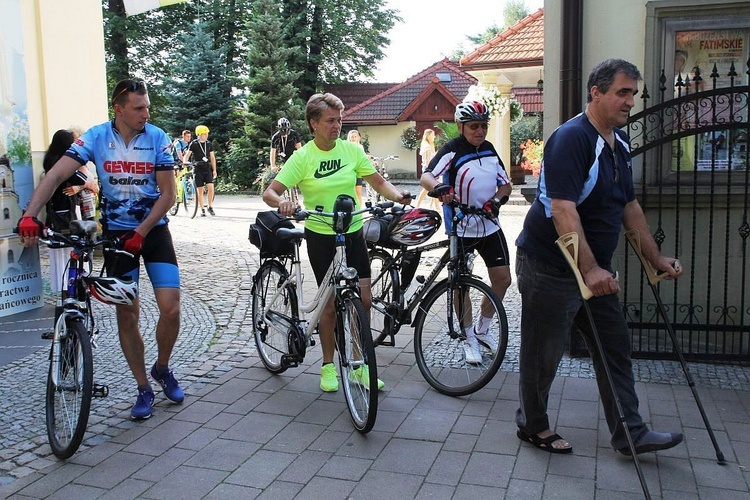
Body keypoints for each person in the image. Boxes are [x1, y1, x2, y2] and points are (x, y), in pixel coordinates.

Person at [514, 59, 684, 455]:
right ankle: (532, 426)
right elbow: (562, 210)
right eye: (622, 93)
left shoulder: (619, 142)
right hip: (550, 267)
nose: (630, 102)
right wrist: (588, 269)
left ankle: (630, 432)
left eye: (633, 94)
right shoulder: (572, 138)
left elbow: (629, 206)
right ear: (596, 92)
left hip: (596, 272)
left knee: (614, 347)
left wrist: (654, 258)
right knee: (544, 353)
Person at [17, 79, 184, 421]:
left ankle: (162, 367)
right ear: (118, 109)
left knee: (171, 308)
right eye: (138, 108)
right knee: (128, 312)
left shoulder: (157, 137)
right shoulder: (95, 137)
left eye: (147, 106)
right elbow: (53, 176)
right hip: (117, 240)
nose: (146, 113)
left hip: (152, 233)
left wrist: (142, 230)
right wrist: (30, 215)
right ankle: (143, 387)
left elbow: (168, 195)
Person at [263, 93, 410, 393]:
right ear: (313, 123)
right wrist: (283, 204)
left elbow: (377, 181)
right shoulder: (302, 158)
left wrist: (398, 196)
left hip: (352, 231)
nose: (337, 126)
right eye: (330, 121)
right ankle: (328, 365)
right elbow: (270, 192)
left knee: (364, 301)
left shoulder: (351, 150)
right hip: (321, 235)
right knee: (328, 306)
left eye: (340, 120)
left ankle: (358, 365)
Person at [421, 101, 513, 364]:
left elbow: (505, 184)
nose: (480, 131)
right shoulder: (452, 150)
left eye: (484, 126)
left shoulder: (490, 150)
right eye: (474, 126)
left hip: (488, 223)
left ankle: (483, 328)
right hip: (461, 227)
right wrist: (439, 189)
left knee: (503, 278)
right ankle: (468, 337)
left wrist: (496, 200)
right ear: (461, 126)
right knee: (461, 285)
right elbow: (426, 176)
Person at [42, 129, 98, 293]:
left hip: (58, 211)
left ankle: (66, 285)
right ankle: (73, 284)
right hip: (67, 212)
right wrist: (81, 170)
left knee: (62, 251)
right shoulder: (62, 164)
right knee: (72, 248)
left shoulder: (50, 161)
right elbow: (84, 180)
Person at [183, 124, 217, 217]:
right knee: (200, 190)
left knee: (211, 187)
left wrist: (214, 170)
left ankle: (210, 206)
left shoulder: (209, 143)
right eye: (204, 134)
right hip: (198, 168)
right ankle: (202, 208)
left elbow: (212, 157)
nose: (206, 135)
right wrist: (185, 161)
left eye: (206, 134)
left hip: (207, 168)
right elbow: (187, 155)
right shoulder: (194, 143)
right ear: (199, 134)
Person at [415, 128, 438, 209]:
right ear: (428, 136)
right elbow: (428, 161)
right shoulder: (427, 147)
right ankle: (418, 204)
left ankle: (434, 205)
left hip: (430, 169)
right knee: (428, 188)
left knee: (434, 187)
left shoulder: (430, 145)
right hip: (429, 169)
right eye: (432, 135)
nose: (434, 137)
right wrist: (432, 171)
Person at [346, 129, 370, 202]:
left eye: (355, 136)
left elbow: (363, 157)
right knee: (350, 193)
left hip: (358, 173)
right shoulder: (347, 147)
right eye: (352, 137)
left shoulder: (360, 147)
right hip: (349, 172)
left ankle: (359, 210)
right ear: (349, 138)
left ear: (358, 137)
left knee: (358, 192)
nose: (353, 138)